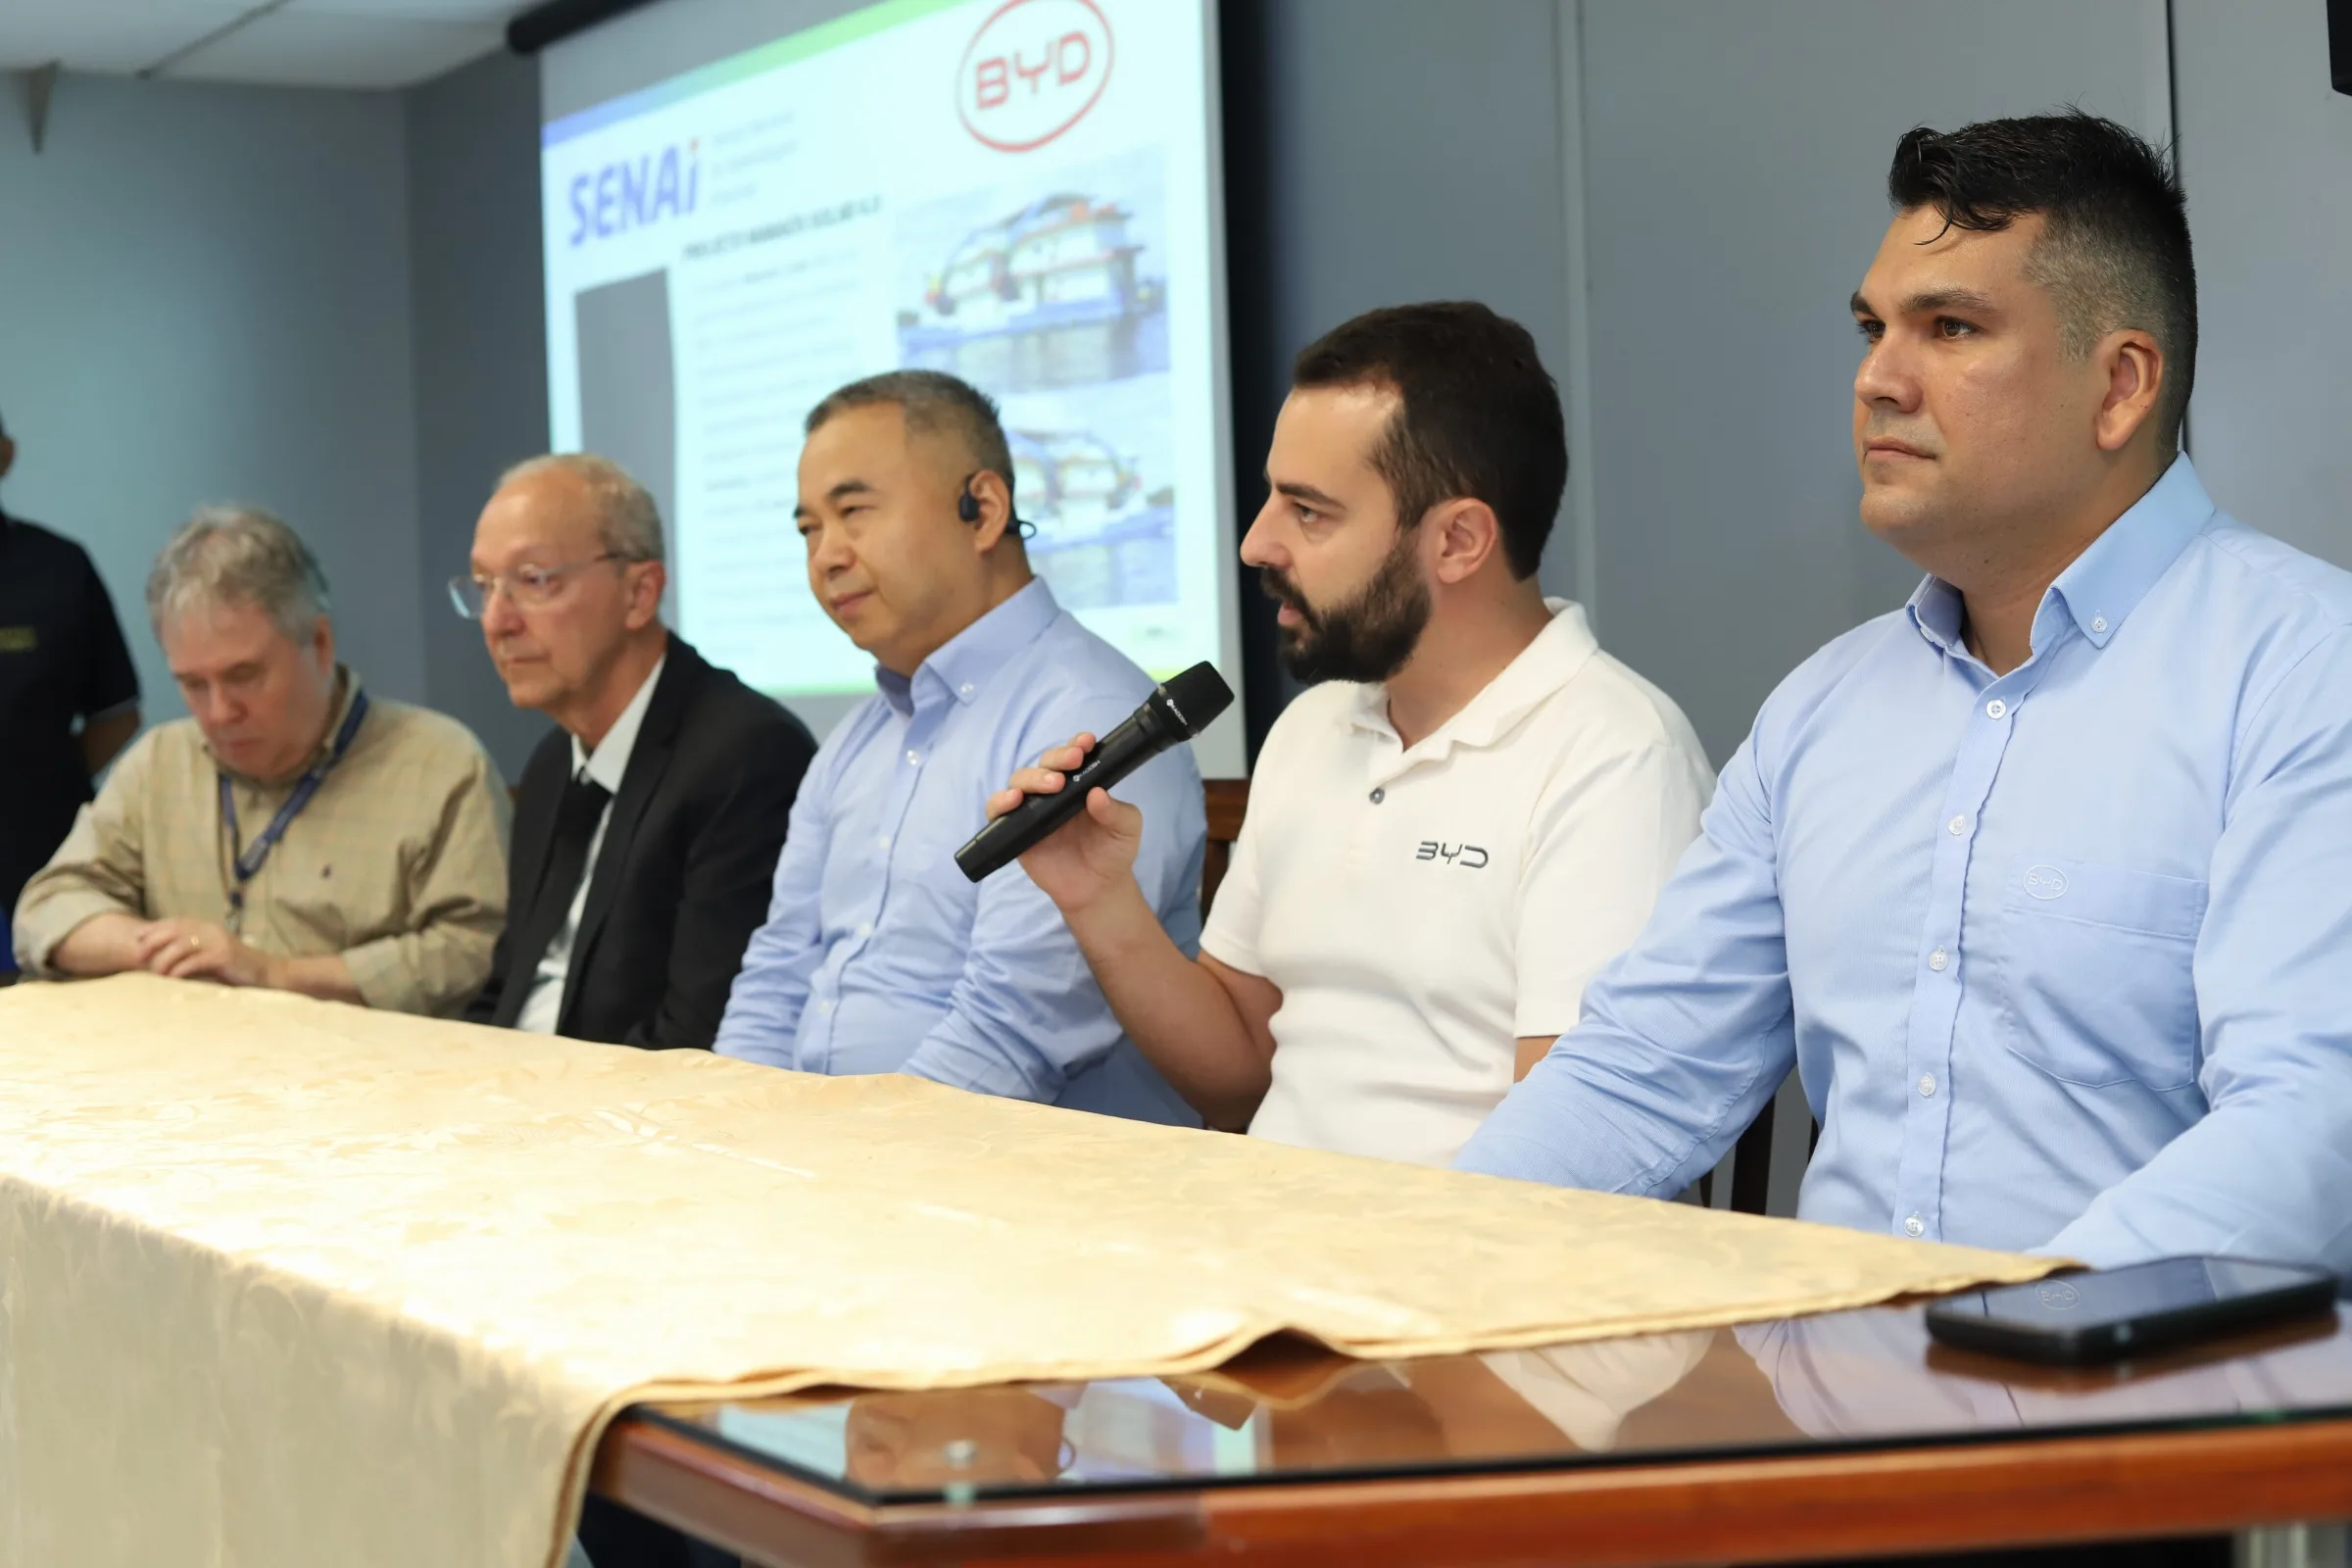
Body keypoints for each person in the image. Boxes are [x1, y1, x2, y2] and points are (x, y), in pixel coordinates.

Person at [1459, 113, 2352, 1276]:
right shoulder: (1820, 712)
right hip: (1838, 1372)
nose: (1877, 379)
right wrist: (1414, 1268)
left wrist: (2020, 1334)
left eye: (1951, 328)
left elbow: (2312, 1116)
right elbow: (1641, 1071)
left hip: (2149, 1380)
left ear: (2121, 385)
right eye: (1873, 328)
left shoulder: (2307, 672)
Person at [988, 303, 1715, 1165]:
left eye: (1309, 511)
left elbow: (1569, 1159)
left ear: (1459, 540)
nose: (1256, 543)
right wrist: (1099, 902)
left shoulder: (1617, 756)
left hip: (1461, 1243)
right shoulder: (1315, 725)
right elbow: (1240, 1075)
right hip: (1278, 1224)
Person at [712, 370, 1204, 1125]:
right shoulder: (853, 741)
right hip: (823, 1153)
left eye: (853, 512)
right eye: (809, 529)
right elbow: (777, 975)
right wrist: (725, 1125)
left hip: (1003, 1168)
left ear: (984, 511)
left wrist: (829, 1158)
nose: (826, 556)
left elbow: (1013, 1035)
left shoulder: (1092, 719)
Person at [12, 506, 509, 1014]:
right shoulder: (158, 764)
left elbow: (473, 950)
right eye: (193, 684)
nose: (219, 712)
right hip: (188, 1055)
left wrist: (276, 975)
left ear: (319, 643)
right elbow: (46, 907)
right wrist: (168, 949)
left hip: (366, 1059)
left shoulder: (441, 766)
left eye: (244, 676)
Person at [462, 455, 816, 1050]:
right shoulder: (552, 763)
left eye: (533, 579)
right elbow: (507, 991)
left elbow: (698, 1035)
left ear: (640, 593)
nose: (497, 621)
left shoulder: (745, 756)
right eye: (483, 586)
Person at [0, 409, 142, 957]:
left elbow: (118, 712)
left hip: (44, 849)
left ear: (6, 455)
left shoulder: (59, 567)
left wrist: (43, 781)